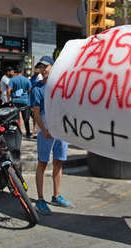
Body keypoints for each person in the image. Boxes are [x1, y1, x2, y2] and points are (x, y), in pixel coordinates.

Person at [30, 56, 73, 215]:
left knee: (58, 163)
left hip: (61, 132)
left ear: (53, 67)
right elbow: (36, 113)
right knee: (42, 163)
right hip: (46, 132)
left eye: (45, 66)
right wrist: (44, 130)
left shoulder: (61, 88)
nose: (43, 69)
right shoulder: (37, 89)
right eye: (40, 67)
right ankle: (40, 200)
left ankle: (56, 195)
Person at [8, 68, 32, 138]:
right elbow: (30, 90)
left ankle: (17, 133)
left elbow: (8, 90)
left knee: (16, 118)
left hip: (15, 101)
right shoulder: (27, 80)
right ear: (22, 72)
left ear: (16, 72)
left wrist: (8, 99)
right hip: (25, 101)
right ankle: (28, 133)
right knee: (26, 118)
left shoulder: (12, 79)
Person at [29, 62, 46, 138]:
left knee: (37, 114)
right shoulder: (33, 77)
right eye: (36, 68)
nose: (37, 70)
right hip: (34, 96)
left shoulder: (40, 77)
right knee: (34, 114)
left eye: (38, 68)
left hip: (38, 97)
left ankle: (35, 129)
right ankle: (34, 128)